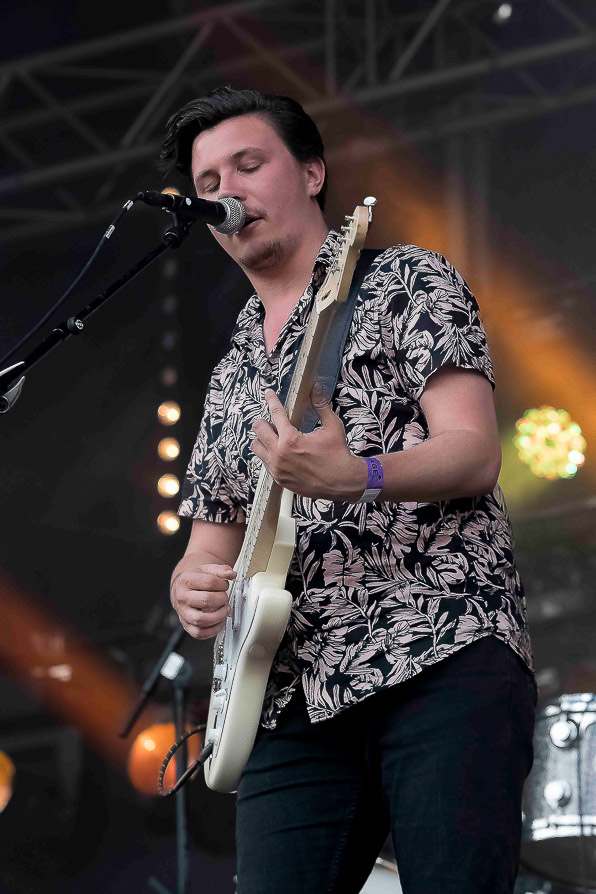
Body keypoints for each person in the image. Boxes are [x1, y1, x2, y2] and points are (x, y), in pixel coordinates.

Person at [163, 86, 536, 894]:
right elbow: (209, 545)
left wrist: (357, 475)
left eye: (248, 165)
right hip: (290, 694)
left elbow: (474, 452)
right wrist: (191, 588)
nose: (226, 191)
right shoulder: (230, 373)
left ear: (312, 172)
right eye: (208, 182)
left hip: (437, 648)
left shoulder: (404, 281)